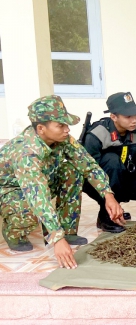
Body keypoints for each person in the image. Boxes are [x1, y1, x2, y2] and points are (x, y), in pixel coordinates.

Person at [0, 95, 123, 269]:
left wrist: (108, 194)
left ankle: (68, 229)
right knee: (27, 208)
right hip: (10, 189)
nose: (67, 129)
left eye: (66, 124)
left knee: (72, 171)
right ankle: (14, 234)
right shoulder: (26, 152)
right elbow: (37, 194)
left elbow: (88, 165)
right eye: (61, 125)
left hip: (40, 181)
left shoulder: (63, 139)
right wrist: (56, 238)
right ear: (41, 128)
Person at [82, 92, 136, 233]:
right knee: (112, 160)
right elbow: (88, 171)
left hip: (121, 177)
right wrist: (107, 195)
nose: (134, 120)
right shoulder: (96, 134)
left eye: (135, 115)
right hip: (95, 183)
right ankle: (106, 216)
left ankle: (115, 207)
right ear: (113, 117)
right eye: (128, 116)